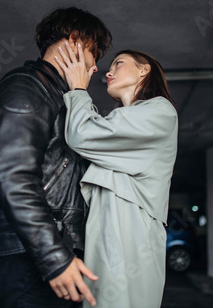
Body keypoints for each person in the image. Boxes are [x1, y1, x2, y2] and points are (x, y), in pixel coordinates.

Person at [0, 7, 112, 308]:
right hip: (33, 260)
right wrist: (54, 258)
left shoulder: (59, 97)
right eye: (95, 56)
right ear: (75, 42)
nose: (95, 69)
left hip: (53, 251)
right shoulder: (27, 86)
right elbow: (12, 177)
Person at [55, 46, 178, 307]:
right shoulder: (121, 120)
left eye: (118, 63)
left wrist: (78, 89)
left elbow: (82, 135)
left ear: (144, 70)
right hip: (108, 232)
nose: (108, 72)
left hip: (131, 232)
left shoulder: (160, 110)